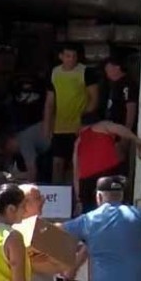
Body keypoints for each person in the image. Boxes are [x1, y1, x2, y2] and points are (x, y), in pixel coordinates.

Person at [50, 46, 99, 184]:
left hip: (78, 127)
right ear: (61, 56)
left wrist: (83, 120)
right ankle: (57, 195)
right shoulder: (54, 72)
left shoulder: (85, 72)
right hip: (59, 127)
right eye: (68, 56)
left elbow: (94, 99)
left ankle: (75, 197)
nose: (71, 59)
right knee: (57, 163)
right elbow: (50, 101)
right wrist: (48, 125)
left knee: (75, 164)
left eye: (74, 56)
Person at [72, 120, 141, 213]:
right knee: (114, 210)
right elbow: (120, 129)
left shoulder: (78, 142)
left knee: (91, 215)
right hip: (107, 175)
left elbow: (76, 172)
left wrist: (79, 199)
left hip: (87, 182)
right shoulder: (101, 126)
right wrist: (137, 140)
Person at [9, 73, 55, 183]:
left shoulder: (23, 140)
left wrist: (27, 191)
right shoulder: (24, 138)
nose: (10, 152)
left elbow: (32, 169)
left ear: (10, 141)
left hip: (54, 139)